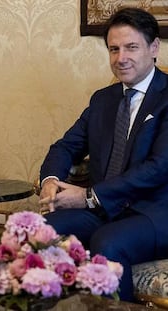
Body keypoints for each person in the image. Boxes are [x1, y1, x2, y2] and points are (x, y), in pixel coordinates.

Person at [38, 7, 168, 302]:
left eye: (131, 47)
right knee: (41, 232)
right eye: (114, 49)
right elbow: (65, 146)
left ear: (154, 48)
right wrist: (51, 181)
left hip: (155, 212)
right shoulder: (103, 100)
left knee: (107, 242)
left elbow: (159, 167)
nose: (121, 58)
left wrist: (88, 197)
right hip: (107, 209)